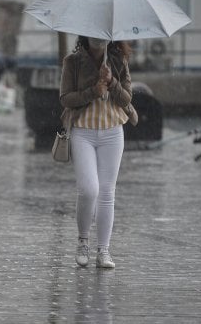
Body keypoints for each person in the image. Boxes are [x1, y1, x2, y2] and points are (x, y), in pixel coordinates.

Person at [59, 35, 137, 269]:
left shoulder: (118, 60)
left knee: (106, 192)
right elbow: (65, 99)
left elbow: (127, 98)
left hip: (113, 131)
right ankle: (83, 240)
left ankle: (103, 250)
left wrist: (112, 82)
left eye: (103, 37)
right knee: (88, 189)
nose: (98, 40)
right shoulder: (72, 61)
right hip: (83, 131)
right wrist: (94, 90)